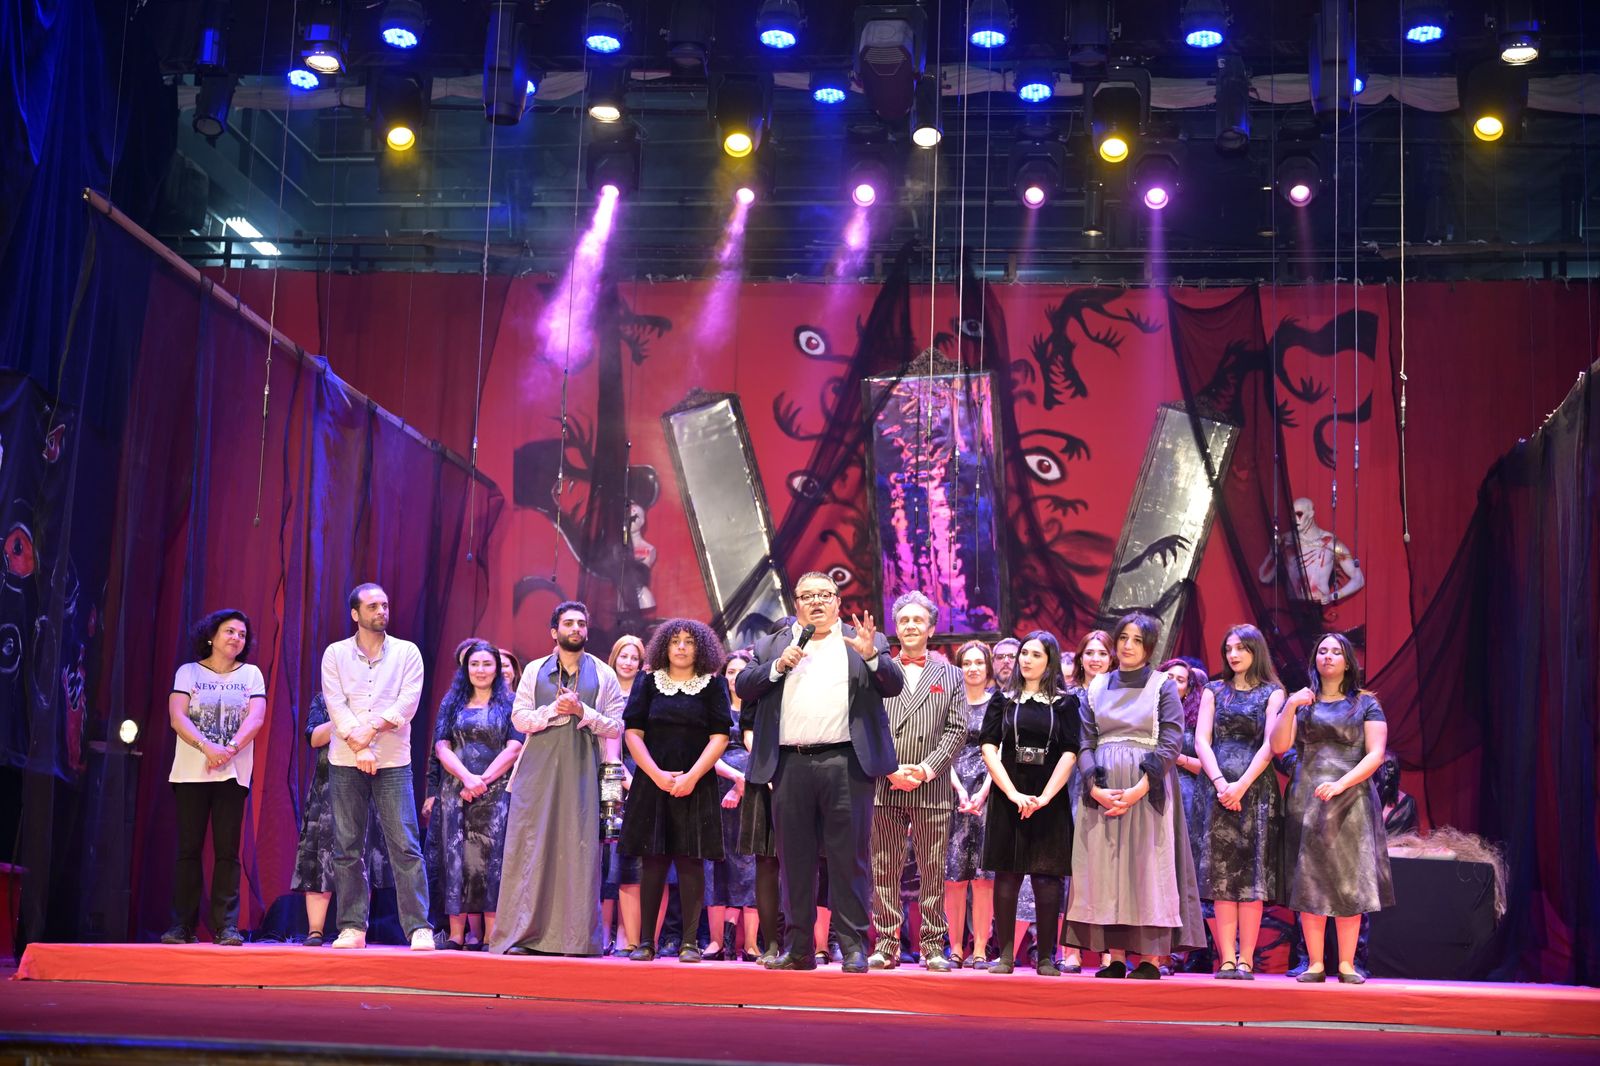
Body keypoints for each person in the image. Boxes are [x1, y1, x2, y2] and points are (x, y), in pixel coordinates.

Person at [737, 572, 903, 973]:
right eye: (808, 596)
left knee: (849, 859)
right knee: (794, 861)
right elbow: (744, 686)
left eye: (824, 595)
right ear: (796, 603)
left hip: (846, 763)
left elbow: (893, 684)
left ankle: (854, 947)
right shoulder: (773, 644)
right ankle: (798, 948)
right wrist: (777, 666)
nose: (816, 602)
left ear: (838, 601)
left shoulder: (863, 640)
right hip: (790, 764)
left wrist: (871, 656)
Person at [1065, 612, 1205, 979]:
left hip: (1147, 787)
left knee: (1147, 868)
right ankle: (1114, 957)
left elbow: (1171, 741)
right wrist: (1094, 787)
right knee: (1108, 870)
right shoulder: (1098, 686)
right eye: (1123, 638)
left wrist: (1139, 789)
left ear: (1150, 646)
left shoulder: (1162, 686)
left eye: (1137, 640)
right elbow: (1085, 740)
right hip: (1104, 787)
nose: (1128, 646)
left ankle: (1149, 959)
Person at [491, 601, 625, 956]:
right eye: (568, 623)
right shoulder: (535, 670)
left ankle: (574, 940)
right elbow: (519, 719)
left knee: (578, 849)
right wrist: (554, 710)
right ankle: (523, 936)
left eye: (581, 623)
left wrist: (582, 710)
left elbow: (616, 726)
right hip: (536, 772)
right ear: (554, 631)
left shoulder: (604, 674)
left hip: (582, 769)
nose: (576, 628)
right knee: (531, 848)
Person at [1271, 632, 1394, 985]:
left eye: (1336, 652)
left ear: (1348, 662)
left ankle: (1346, 964)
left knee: (1347, 880)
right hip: (1307, 795)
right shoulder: (1304, 703)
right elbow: (1278, 746)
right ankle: (1314, 963)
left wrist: (1342, 783)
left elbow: (1375, 754)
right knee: (1310, 879)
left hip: (1351, 796)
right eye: (1322, 651)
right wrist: (1290, 706)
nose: (1327, 656)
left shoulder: (1366, 703)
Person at [320, 584, 433, 951]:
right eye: (372, 606)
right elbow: (335, 705)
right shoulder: (335, 654)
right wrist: (360, 745)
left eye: (384, 604)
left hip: (393, 760)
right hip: (346, 759)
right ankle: (352, 927)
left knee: (405, 845)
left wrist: (369, 734)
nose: (381, 611)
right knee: (347, 846)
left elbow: (407, 703)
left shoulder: (407, 652)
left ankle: (418, 927)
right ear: (355, 614)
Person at [621, 620, 733, 963]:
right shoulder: (647, 682)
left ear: (701, 648)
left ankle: (689, 943)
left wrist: (692, 777)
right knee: (652, 862)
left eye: (689, 642)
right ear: (664, 647)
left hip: (695, 784)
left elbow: (720, 736)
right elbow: (632, 733)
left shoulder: (712, 685)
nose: (682, 647)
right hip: (652, 782)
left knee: (690, 862)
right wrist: (655, 775)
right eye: (675, 641)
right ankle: (646, 942)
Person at [867, 592, 967, 971]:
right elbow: (868, 726)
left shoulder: (951, 674)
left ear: (931, 628)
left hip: (932, 786)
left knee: (932, 869)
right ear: (896, 628)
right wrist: (890, 769)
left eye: (917, 620)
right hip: (885, 783)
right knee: (885, 868)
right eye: (904, 620)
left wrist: (925, 769)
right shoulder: (879, 671)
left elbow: (957, 729)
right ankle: (886, 944)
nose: (910, 626)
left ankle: (933, 946)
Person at [161, 609, 267, 946]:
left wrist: (229, 749)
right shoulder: (188, 672)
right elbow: (178, 717)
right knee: (188, 850)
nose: (237, 638)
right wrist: (207, 748)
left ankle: (226, 926)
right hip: (190, 774)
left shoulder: (250, 674)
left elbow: (256, 718)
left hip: (232, 775)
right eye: (230, 631)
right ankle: (182, 925)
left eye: (242, 634)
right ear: (211, 636)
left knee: (227, 852)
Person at [980, 632, 1080, 976]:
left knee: (1047, 877)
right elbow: (988, 747)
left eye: (1036, 654)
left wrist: (1045, 797)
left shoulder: (1065, 703)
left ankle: (1046, 957)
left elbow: (1070, 751)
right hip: (1009, 792)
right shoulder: (1003, 700)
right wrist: (1012, 793)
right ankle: (1005, 955)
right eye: (1024, 653)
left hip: (1048, 796)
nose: (1026, 659)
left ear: (1050, 661)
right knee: (1007, 875)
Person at [1194, 625, 1285, 980]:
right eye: (1229, 649)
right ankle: (1227, 959)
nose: (1233, 655)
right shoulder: (1213, 689)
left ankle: (1246, 958)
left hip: (1255, 789)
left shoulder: (1272, 693)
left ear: (1255, 651)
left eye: (1241, 648)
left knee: (1251, 877)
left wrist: (1241, 786)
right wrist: (1220, 783)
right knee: (1221, 878)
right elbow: (1202, 740)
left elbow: (1271, 745)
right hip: (1215, 788)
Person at [433, 639, 523, 949]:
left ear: (497, 668)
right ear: (465, 668)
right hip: (456, 791)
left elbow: (515, 747)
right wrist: (466, 778)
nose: (481, 670)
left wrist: (481, 781)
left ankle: (491, 935)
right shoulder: (452, 702)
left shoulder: (510, 703)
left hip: (496, 792)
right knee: (456, 858)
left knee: (491, 859)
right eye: (474, 664)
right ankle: (456, 935)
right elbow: (441, 746)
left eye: (487, 664)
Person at [291, 693, 394, 946]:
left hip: (364, 784)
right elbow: (314, 738)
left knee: (360, 856)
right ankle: (315, 930)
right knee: (319, 857)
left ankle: (356, 928)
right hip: (327, 788)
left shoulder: (376, 695)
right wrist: (343, 720)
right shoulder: (325, 698)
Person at [1058, 629, 1112, 971]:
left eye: (1102, 653)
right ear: (1080, 658)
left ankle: (1110, 951)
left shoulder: (1122, 695)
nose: (1095, 659)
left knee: (1110, 868)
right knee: (1076, 870)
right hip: (1075, 783)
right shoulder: (1069, 698)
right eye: (1089, 653)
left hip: (1114, 780)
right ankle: (1071, 950)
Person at [945, 640, 997, 968]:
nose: (973, 668)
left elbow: (1002, 750)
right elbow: (940, 747)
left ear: (988, 668)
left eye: (979, 662)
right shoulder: (949, 704)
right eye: (967, 663)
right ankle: (954, 948)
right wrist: (959, 789)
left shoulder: (998, 704)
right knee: (953, 876)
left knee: (983, 877)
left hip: (988, 791)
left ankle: (979, 949)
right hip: (951, 791)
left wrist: (985, 790)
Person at [1160, 656, 1211, 974]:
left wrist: (1173, 756)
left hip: (1188, 799)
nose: (1173, 683)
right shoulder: (1148, 713)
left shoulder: (1196, 719)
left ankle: (1185, 951)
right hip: (1151, 793)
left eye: (1180, 679)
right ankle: (1156, 950)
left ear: (1189, 688)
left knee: (1182, 873)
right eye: (1168, 677)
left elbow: (1205, 764)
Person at [707, 649, 757, 960]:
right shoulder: (715, 708)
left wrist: (742, 786)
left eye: (741, 671)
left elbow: (764, 751)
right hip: (717, 786)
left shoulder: (760, 708)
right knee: (717, 862)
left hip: (754, 789)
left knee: (750, 862)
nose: (735, 677)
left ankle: (750, 944)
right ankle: (717, 942)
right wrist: (734, 778)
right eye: (730, 671)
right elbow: (706, 751)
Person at [603, 635, 647, 954]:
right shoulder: (605, 692)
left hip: (640, 773)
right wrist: (625, 781)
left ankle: (625, 932)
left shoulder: (645, 694)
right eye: (623, 656)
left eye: (634, 658)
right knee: (609, 854)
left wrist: (637, 782)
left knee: (631, 859)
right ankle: (603, 929)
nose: (628, 662)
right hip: (610, 775)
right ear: (614, 658)